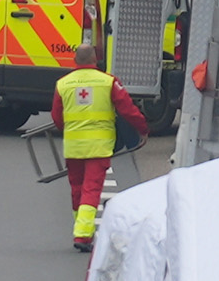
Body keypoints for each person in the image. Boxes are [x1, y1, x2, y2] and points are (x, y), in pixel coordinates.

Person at [50, 45, 149, 252]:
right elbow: (128, 109)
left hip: (74, 145)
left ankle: (80, 227)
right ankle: (83, 235)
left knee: (77, 188)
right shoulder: (108, 82)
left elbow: (57, 117)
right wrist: (142, 127)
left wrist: (68, 130)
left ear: (75, 61)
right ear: (95, 59)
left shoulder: (63, 84)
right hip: (99, 145)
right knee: (91, 189)